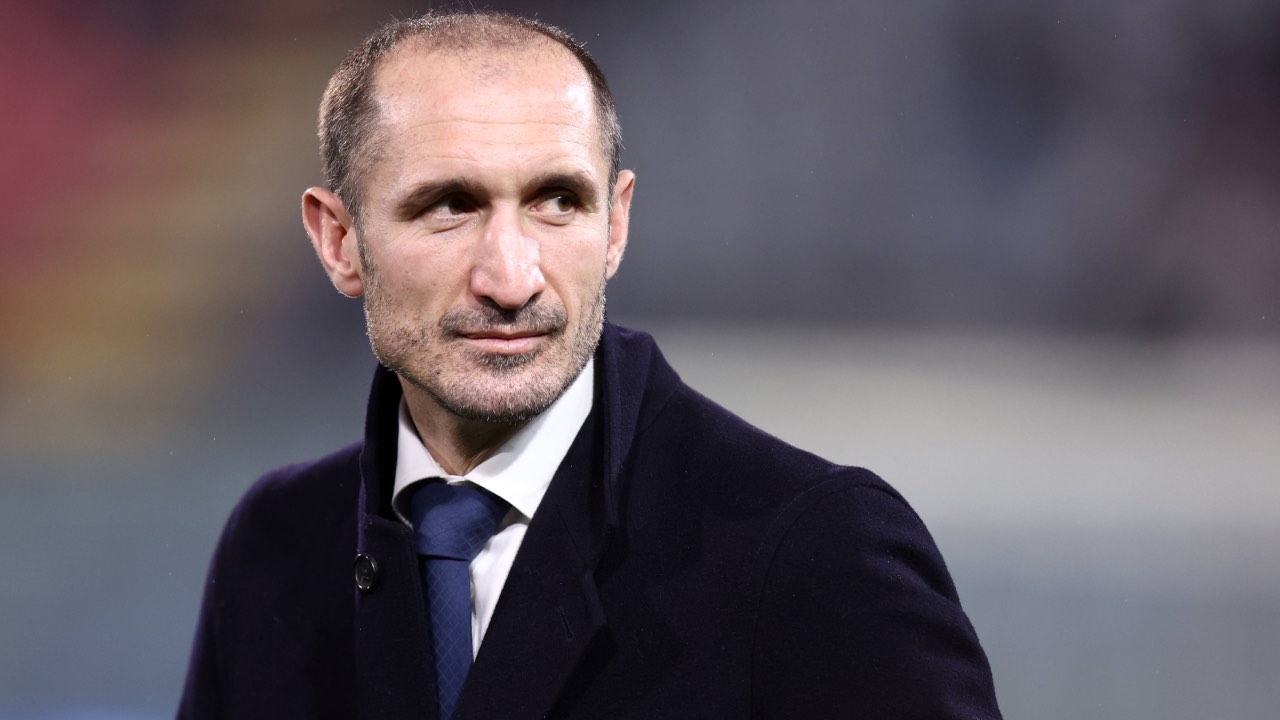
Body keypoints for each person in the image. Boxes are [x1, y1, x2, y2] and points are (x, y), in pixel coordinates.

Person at [179, 11, 1001, 720]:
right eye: (451, 206)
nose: (512, 280)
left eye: (558, 202)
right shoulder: (277, 546)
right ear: (339, 241)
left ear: (615, 226)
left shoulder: (819, 552)